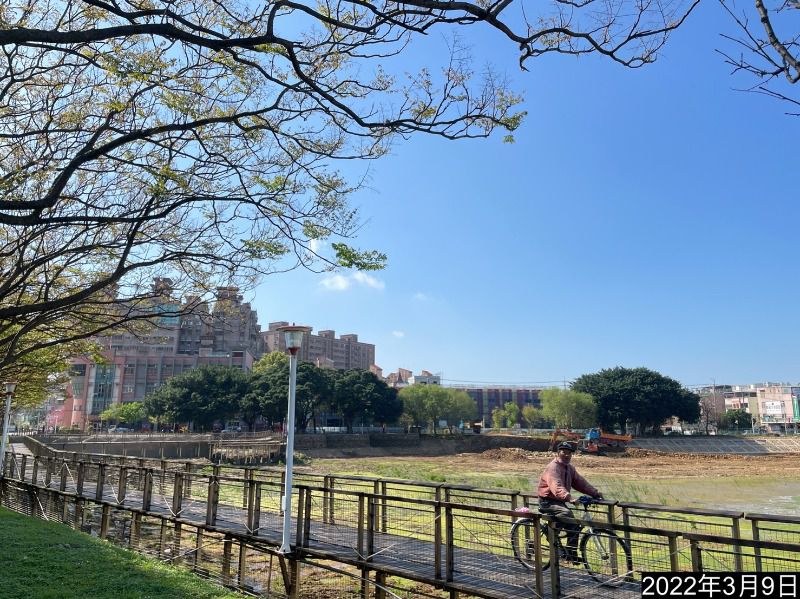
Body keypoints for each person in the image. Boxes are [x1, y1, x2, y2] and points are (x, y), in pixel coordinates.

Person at [537, 441, 603, 562]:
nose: (567, 455)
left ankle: (571, 554)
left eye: (569, 453)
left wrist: (595, 493)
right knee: (566, 514)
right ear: (558, 453)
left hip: (559, 501)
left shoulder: (569, 468)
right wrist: (569, 497)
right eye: (564, 452)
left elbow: (580, 483)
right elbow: (556, 486)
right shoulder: (553, 468)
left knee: (574, 525)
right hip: (547, 501)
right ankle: (550, 532)